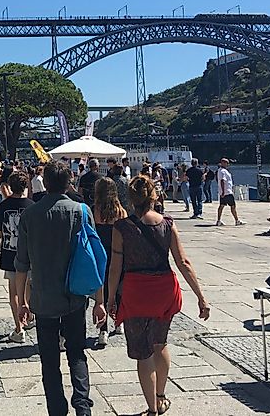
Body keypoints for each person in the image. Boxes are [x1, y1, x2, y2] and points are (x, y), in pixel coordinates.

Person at [107, 175, 211, 416]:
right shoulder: (167, 223)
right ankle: (161, 395)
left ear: (131, 199)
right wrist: (201, 296)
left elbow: (115, 267)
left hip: (136, 290)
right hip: (164, 289)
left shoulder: (122, 228)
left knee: (143, 352)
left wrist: (111, 299)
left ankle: (152, 408)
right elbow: (183, 262)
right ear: (155, 197)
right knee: (160, 342)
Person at [15, 161, 106, 416]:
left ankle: (56, 409)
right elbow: (94, 257)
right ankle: (82, 406)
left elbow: (21, 263)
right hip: (74, 295)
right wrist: (99, 300)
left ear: (44, 182)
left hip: (43, 297)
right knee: (76, 353)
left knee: (49, 359)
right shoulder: (82, 211)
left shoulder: (30, 215)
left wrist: (22, 300)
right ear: (69, 183)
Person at [0, 171, 34, 343]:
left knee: (14, 293)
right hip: (29, 254)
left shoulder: (4, 205)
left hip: (10, 252)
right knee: (28, 288)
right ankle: (29, 316)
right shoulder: (32, 205)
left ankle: (19, 328)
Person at [93, 177, 128, 347]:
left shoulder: (95, 210)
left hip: (101, 255)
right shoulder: (121, 211)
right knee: (118, 289)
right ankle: (119, 321)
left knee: (104, 292)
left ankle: (103, 330)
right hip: (118, 255)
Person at [216, 158, 244, 226]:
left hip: (224, 191)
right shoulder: (223, 171)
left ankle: (219, 220)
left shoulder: (220, 171)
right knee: (233, 206)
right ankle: (237, 220)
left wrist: (221, 191)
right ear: (223, 163)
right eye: (227, 163)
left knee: (221, 206)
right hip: (227, 192)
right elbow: (222, 181)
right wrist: (223, 191)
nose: (228, 164)